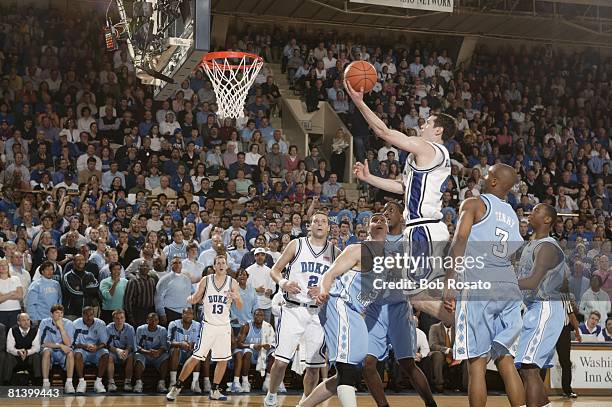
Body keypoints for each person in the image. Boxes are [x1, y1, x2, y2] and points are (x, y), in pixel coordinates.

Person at [348, 78, 456, 323]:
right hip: (423, 229)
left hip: (424, 229)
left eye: (428, 123)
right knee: (421, 291)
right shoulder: (425, 156)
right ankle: (468, 325)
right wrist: (369, 178)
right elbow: (401, 187)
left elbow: (383, 132)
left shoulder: (430, 149)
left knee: (417, 295)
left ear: (438, 131)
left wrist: (359, 102)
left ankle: (468, 331)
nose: (423, 125)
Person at [445, 163, 525, 407]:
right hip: (508, 287)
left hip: (479, 285)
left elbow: (459, 240)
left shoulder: (473, 204)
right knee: (505, 360)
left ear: (493, 182)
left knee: (477, 363)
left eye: (488, 173)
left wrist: (449, 278)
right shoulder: (512, 214)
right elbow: (514, 254)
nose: (481, 175)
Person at [299, 213, 388, 407]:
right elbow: (330, 273)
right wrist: (323, 290)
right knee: (347, 369)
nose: (379, 221)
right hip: (339, 304)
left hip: (356, 314)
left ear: (389, 229)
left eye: (383, 220)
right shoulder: (357, 249)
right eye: (375, 219)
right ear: (368, 227)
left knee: (347, 373)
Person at [363, 201, 437, 407]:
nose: (386, 213)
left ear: (402, 217)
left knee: (407, 363)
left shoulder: (409, 242)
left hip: (399, 307)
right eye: (383, 211)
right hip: (375, 309)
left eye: (391, 210)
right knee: (368, 363)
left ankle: (431, 403)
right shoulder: (374, 239)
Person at [263, 211, 334, 407]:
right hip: (293, 309)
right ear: (309, 226)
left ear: (328, 227)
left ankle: (305, 402)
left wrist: (324, 289)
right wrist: (284, 282)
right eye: (315, 221)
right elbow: (275, 270)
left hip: (318, 313)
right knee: (281, 361)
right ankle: (271, 395)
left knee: (313, 367)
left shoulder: (335, 251)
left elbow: (340, 281)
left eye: (323, 221)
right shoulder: (297, 244)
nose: (319, 224)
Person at [166, 254, 241, 401]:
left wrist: (236, 297)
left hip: (224, 326)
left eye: (223, 263)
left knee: (223, 360)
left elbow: (239, 306)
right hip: (208, 325)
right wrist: (189, 299)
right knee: (196, 357)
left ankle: (214, 390)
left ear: (226, 266)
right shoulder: (206, 280)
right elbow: (196, 298)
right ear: (214, 267)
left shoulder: (232, 282)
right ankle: (177, 387)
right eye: (218, 263)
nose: (220, 265)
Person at [515, 204, 567, 407]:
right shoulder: (531, 244)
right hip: (534, 309)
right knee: (527, 369)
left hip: (545, 308)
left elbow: (532, 282)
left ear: (547, 220)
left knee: (529, 368)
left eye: (537, 210)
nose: (531, 212)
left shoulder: (547, 246)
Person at [233, 308, 276, 393]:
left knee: (274, 354)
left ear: (264, 317)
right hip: (250, 352)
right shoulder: (246, 326)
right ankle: (245, 381)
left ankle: (267, 381)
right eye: (256, 315)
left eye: (261, 315)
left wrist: (268, 345)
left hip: (263, 353)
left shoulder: (268, 326)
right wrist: (252, 346)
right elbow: (239, 343)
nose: (258, 317)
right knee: (248, 353)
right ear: (253, 316)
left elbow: (273, 343)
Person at [73, 306, 110, 393]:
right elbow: (73, 343)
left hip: (96, 350)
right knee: (77, 354)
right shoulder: (75, 324)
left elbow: (104, 342)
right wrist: (85, 346)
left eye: (91, 315)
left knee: (105, 354)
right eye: (86, 315)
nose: (89, 317)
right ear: (82, 315)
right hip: (82, 349)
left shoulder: (101, 323)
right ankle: (81, 382)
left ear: (94, 315)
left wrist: (97, 347)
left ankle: (98, 382)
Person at [40, 304, 76, 392]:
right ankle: (46, 383)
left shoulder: (69, 323)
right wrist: (59, 345)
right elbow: (43, 343)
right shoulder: (44, 322)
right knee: (46, 351)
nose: (59, 315)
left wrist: (61, 327)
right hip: (50, 350)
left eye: (61, 313)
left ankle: (69, 383)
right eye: (57, 313)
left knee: (70, 352)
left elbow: (68, 344)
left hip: (62, 353)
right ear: (51, 314)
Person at [167, 307, 203, 393]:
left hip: (190, 353)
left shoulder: (198, 325)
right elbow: (169, 342)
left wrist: (193, 344)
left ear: (193, 316)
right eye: (186, 313)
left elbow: (200, 342)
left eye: (190, 314)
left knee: (198, 351)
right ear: (182, 315)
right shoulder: (174, 324)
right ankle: (173, 382)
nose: (188, 316)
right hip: (178, 353)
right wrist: (180, 344)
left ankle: (195, 382)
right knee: (175, 350)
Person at [134, 312, 170, 393]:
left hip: (158, 355)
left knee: (166, 356)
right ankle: (138, 383)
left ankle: (162, 383)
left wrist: (158, 352)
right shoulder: (140, 329)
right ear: (147, 320)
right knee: (137, 355)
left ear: (158, 321)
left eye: (156, 320)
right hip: (145, 354)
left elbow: (165, 346)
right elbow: (137, 347)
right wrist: (148, 352)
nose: (153, 322)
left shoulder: (162, 330)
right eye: (151, 320)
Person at [6, 313, 42, 384]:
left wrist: (27, 352)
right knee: (8, 356)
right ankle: (6, 383)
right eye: (23, 320)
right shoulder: (12, 330)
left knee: (36, 356)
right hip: (16, 357)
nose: (26, 322)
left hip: (29, 356)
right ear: (18, 322)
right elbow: (9, 348)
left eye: (28, 320)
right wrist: (18, 352)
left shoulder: (36, 330)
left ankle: (38, 381)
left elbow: (36, 347)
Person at [155, 256, 192, 325]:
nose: (177, 264)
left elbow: (188, 297)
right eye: (175, 263)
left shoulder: (187, 279)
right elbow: (158, 298)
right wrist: (162, 314)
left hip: (183, 314)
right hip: (169, 312)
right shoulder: (164, 279)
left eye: (179, 263)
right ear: (170, 265)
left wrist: (190, 311)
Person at [106, 309, 136, 392]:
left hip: (126, 352)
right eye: (117, 318)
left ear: (125, 319)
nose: (119, 320)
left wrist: (126, 351)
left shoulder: (130, 328)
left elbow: (131, 345)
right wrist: (117, 351)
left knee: (131, 357)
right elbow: (107, 345)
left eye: (121, 318)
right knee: (109, 356)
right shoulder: (108, 328)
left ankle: (128, 382)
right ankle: (111, 382)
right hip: (114, 351)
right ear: (113, 319)